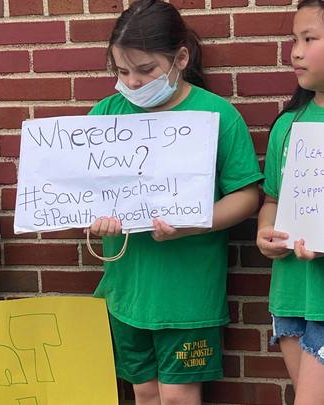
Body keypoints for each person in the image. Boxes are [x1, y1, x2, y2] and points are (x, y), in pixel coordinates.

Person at [86, 1, 263, 404]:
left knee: (178, 397)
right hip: (126, 289)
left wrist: (193, 222)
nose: (132, 83)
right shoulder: (105, 114)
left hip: (187, 292)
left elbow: (247, 195)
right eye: (122, 71)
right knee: (145, 393)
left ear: (180, 58)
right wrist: (94, 221)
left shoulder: (216, 114)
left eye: (146, 70)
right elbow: (87, 197)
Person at [257, 0, 324, 403]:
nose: (295, 51)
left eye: (309, 39)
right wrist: (266, 232)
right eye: (293, 39)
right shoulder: (289, 124)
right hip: (291, 296)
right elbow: (272, 200)